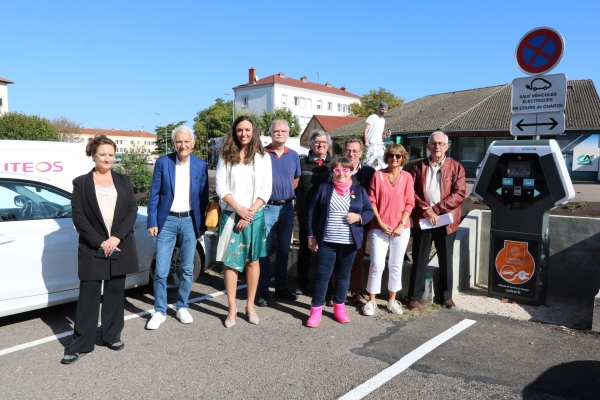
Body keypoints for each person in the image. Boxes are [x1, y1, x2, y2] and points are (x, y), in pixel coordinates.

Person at [61, 135, 139, 364]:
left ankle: (111, 335)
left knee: (115, 294)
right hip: (92, 247)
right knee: (89, 297)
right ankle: (81, 344)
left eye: (111, 155)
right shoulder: (81, 183)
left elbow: (131, 211)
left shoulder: (123, 181)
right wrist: (100, 242)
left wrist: (116, 238)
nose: (107, 158)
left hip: (119, 245)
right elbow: (79, 217)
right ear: (93, 155)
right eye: (103, 154)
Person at [146, 126, 209, 330]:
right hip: (167, 221)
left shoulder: (201, 165)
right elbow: (154, 194)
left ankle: (182, 305)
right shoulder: (163, 163)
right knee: (161, 269)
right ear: (173, 143)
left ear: (193, 143)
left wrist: (202, 224)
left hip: (191, 221)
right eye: (178, 142)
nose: (183, 145)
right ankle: (159, 310)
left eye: (186, 141)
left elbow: (204, 198)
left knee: (187, 268)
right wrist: (152, 221)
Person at [216, 116, 272, 327]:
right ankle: (232, 309)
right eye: (240, 130)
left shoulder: (262, 156)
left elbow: (266, 189)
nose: (244, 134)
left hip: (255, 215)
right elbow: (221, 187)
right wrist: (239, 209)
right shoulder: (225, 155)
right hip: (231, 214)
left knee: (252, 261)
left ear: (253, 131)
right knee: (230, 263)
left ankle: (250, 306)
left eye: (247, 129)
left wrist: (249, 212)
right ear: (234, 132)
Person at [305, 157, 374, 327]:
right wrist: (311, 236)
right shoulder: (324, 189)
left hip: (349, 243)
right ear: (332, 172)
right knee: (322, 278)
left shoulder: (359, 190)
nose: (341, 173)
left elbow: (369, 211)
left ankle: (339, 309)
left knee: (343, 277)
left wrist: (359, 217)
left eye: (345, 170)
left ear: (351, 172)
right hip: (326, 241)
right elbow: (312, 212)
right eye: (337, 170)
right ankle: (316, 311)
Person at [407, 131, 466, 310]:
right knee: (419, 259)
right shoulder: (417, 167)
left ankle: (446, 296)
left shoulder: (456, 167)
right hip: (423, 219)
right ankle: (414, 297)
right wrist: (426, 210)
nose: (437, 146)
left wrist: (437, 209)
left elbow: (459, 193)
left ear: (447, 146)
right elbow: (411, 192)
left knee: (445, 259)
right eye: (433, 143)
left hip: (446, 221)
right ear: (427, 147)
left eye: (441, 143)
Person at [362, 144, 415, 316]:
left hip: (401, 228)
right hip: (379, 227)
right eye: (391, 155)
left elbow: (410, 202)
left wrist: (401, 224)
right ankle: (372, 301)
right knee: (376, 264)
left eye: (398, 156)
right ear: (386, 157)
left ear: (403, 158)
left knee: (396, 265)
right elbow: (372, 201)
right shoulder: (378, 176)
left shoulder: (407, 177)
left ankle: (392, 300)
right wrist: (380, 222)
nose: (394, 158)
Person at [256, 119, 301, 307]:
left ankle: (281, 287)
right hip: (267, 207)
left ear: (288, 134)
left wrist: (285, 194)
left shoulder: (294, 155)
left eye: (283, 130)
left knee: (284, 250)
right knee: (264, 251)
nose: (280, 133)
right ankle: (263, 290)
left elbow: (296, 179)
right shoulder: (262, 154)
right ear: (271, 133)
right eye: (276, 130)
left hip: (287, 208)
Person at [295, 129, 333, 295]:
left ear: (328, 145)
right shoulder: (302, 163)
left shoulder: (334, 165)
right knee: (304, 249)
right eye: (317, 142)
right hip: (306, 215)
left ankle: (324, 288)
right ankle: (301, 284)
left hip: (327, 217)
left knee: (325, 252)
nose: (320, 145)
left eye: (324, 142)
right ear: (311, 144)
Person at [344, 138, 375, 305]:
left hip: (359, 223)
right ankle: (336, 292)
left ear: (361, 154)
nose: (351, 154)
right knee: (338, 257)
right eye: (348, 150)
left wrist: (361, 217)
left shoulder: (369, 172)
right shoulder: (337, 169)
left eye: (355, 151)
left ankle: (356, 291)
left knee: (358, 258)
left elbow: (372, 198)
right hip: (340, 222)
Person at [364, 102, 388, 170]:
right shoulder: (372, 117)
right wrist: (366, 142)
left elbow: (379, 135)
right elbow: (366, 130)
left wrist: (385, 135)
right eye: (383, 109)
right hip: (372, 145)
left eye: (385, 110)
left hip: (380, 146)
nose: (384, 111)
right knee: (367, 164)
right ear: (379, 108)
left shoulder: (383, 120)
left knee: (385, 165)